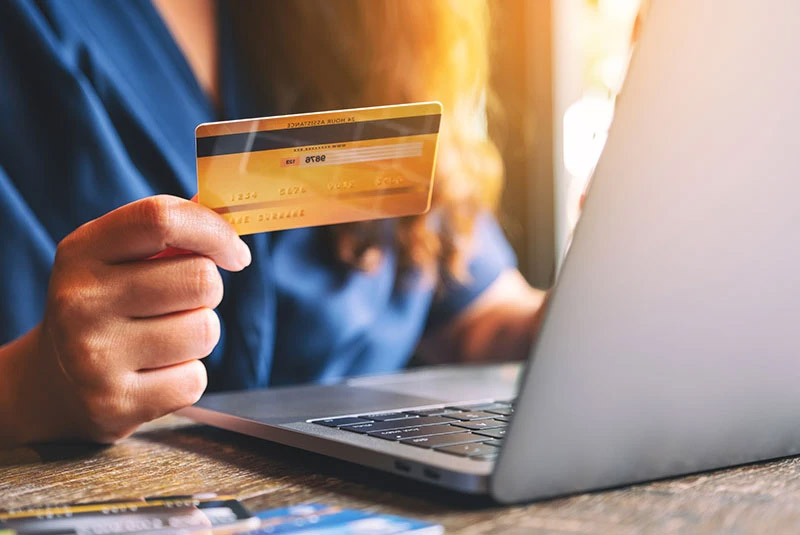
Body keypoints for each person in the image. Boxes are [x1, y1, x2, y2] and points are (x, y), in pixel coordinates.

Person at [0, 0, 545, 447]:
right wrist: (31, 390)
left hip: (381, 496)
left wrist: (595, 307)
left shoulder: (378, 25)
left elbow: (480, 317)